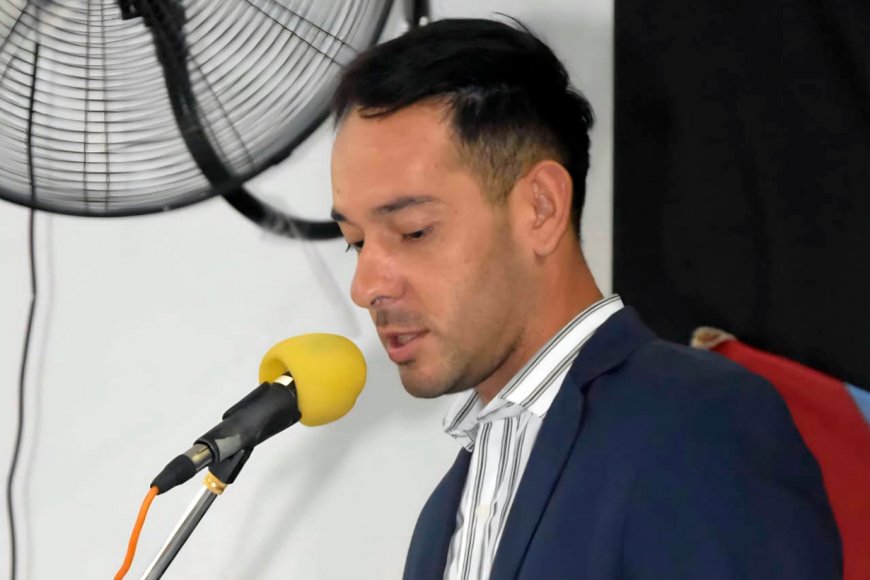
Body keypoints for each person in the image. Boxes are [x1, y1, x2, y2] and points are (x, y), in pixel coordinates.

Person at [328, 17, 842, 580]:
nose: (366, 286)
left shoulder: (701, 425)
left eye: (414, 231)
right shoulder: (442, 517)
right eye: (356, 242)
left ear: (541, 208)